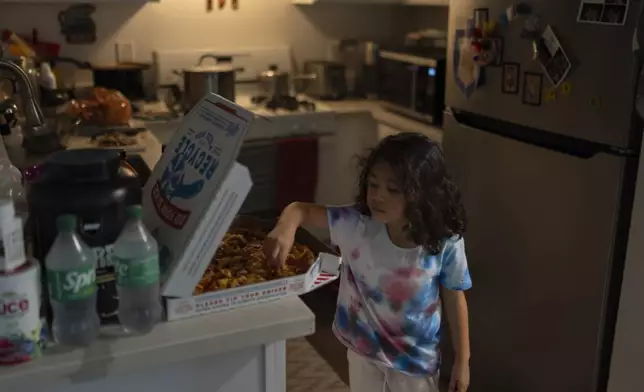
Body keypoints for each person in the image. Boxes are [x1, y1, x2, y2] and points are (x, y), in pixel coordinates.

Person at [264, 132, 472, 392]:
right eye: (373, 185)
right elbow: (299, 209)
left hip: (415, 362)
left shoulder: (444, 242)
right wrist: (285, 228)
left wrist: (462, 361)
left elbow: (455, 298)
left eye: (392, 189)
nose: (378, 196)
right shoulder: (356, 224)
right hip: (363, 350)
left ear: (421, 193)